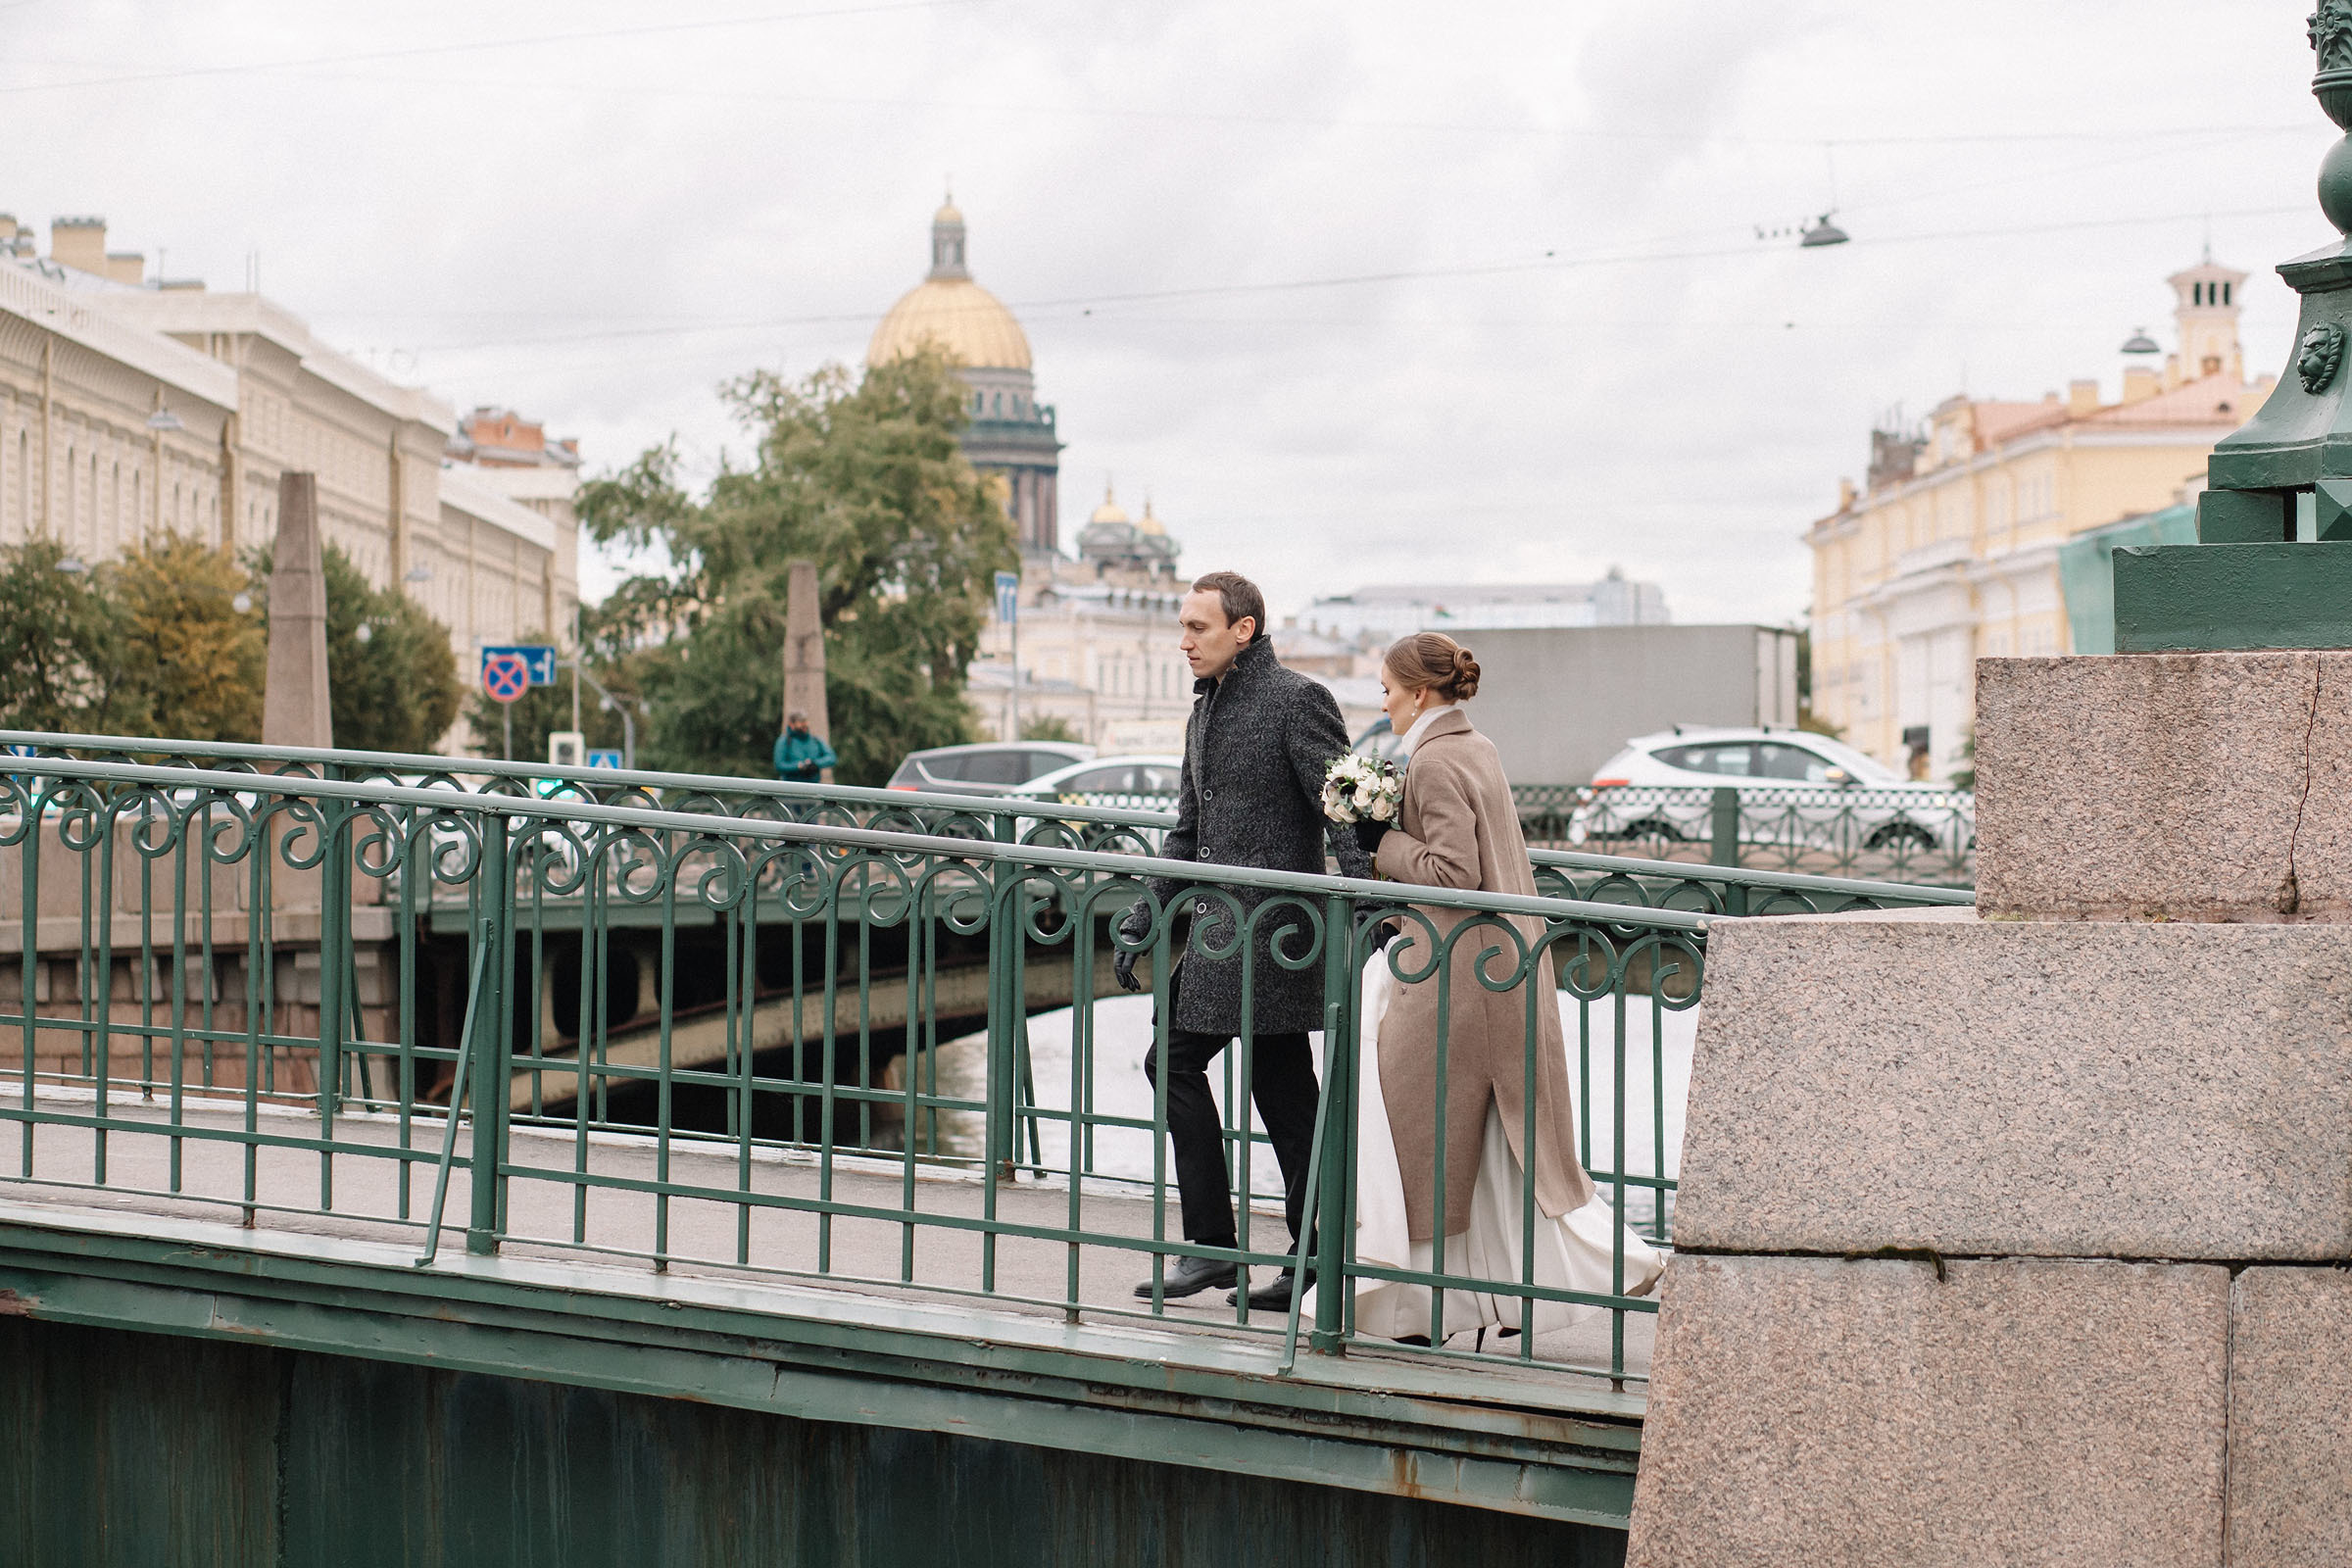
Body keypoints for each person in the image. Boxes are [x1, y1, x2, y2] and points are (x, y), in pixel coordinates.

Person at [1336, 631, 1663, 1345]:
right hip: (1502, 964)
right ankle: (1510, 1293)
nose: (1382, 700)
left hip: (1456, 974)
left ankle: (1421, 1306)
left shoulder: (1431, 762)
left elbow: (1455, 874)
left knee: (1412, 1143)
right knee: (1493, 1152)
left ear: (1420, 693)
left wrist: (1378, 843)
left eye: (1388, 688)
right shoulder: (1476, 746)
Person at [1114, 570, 1369, 1308]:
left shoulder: (1297, 699)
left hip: (1279, 934)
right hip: (1220, 934)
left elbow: (1342, 812)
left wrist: (1367, 909)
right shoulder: (1203, 710)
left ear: (1244, 630)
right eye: (1183, 627)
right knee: (1280, 1092)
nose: (1184, 641)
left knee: (1189, 1065)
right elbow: (1186, 835)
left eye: (1198, 628)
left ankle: (1228, 1252)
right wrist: (1143, 917)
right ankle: (1302, 1256)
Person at [772, 711, 836, 784]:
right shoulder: (784, 741)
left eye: (805, 722)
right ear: (792, 725)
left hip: (813, 786)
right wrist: (798, 766)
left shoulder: (816, 740)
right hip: (791, 786)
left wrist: (815, 764)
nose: (804, 725)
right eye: (800, 723)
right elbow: (779, 764)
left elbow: (831, 757)